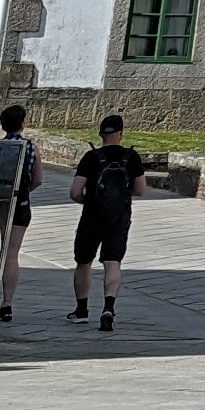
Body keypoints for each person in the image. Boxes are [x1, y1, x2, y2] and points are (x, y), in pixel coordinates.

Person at [68, 115, 148, 333]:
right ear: (121, 133)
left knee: (84, 261)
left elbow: (75, 191)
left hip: (92, 216)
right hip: (119, 217)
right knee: (113, 262)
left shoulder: (91, 157)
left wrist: (88, 200)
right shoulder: (131, 157)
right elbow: (141, 190)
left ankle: (81, 310)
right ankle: (108, 309)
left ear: (101, 135)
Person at [0, 106, 41, 327]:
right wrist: (22, 191)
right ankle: (7, 304)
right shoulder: (29, 147)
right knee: (11, 255)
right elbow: (37, 179)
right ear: (22, 123)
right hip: (17, 205)